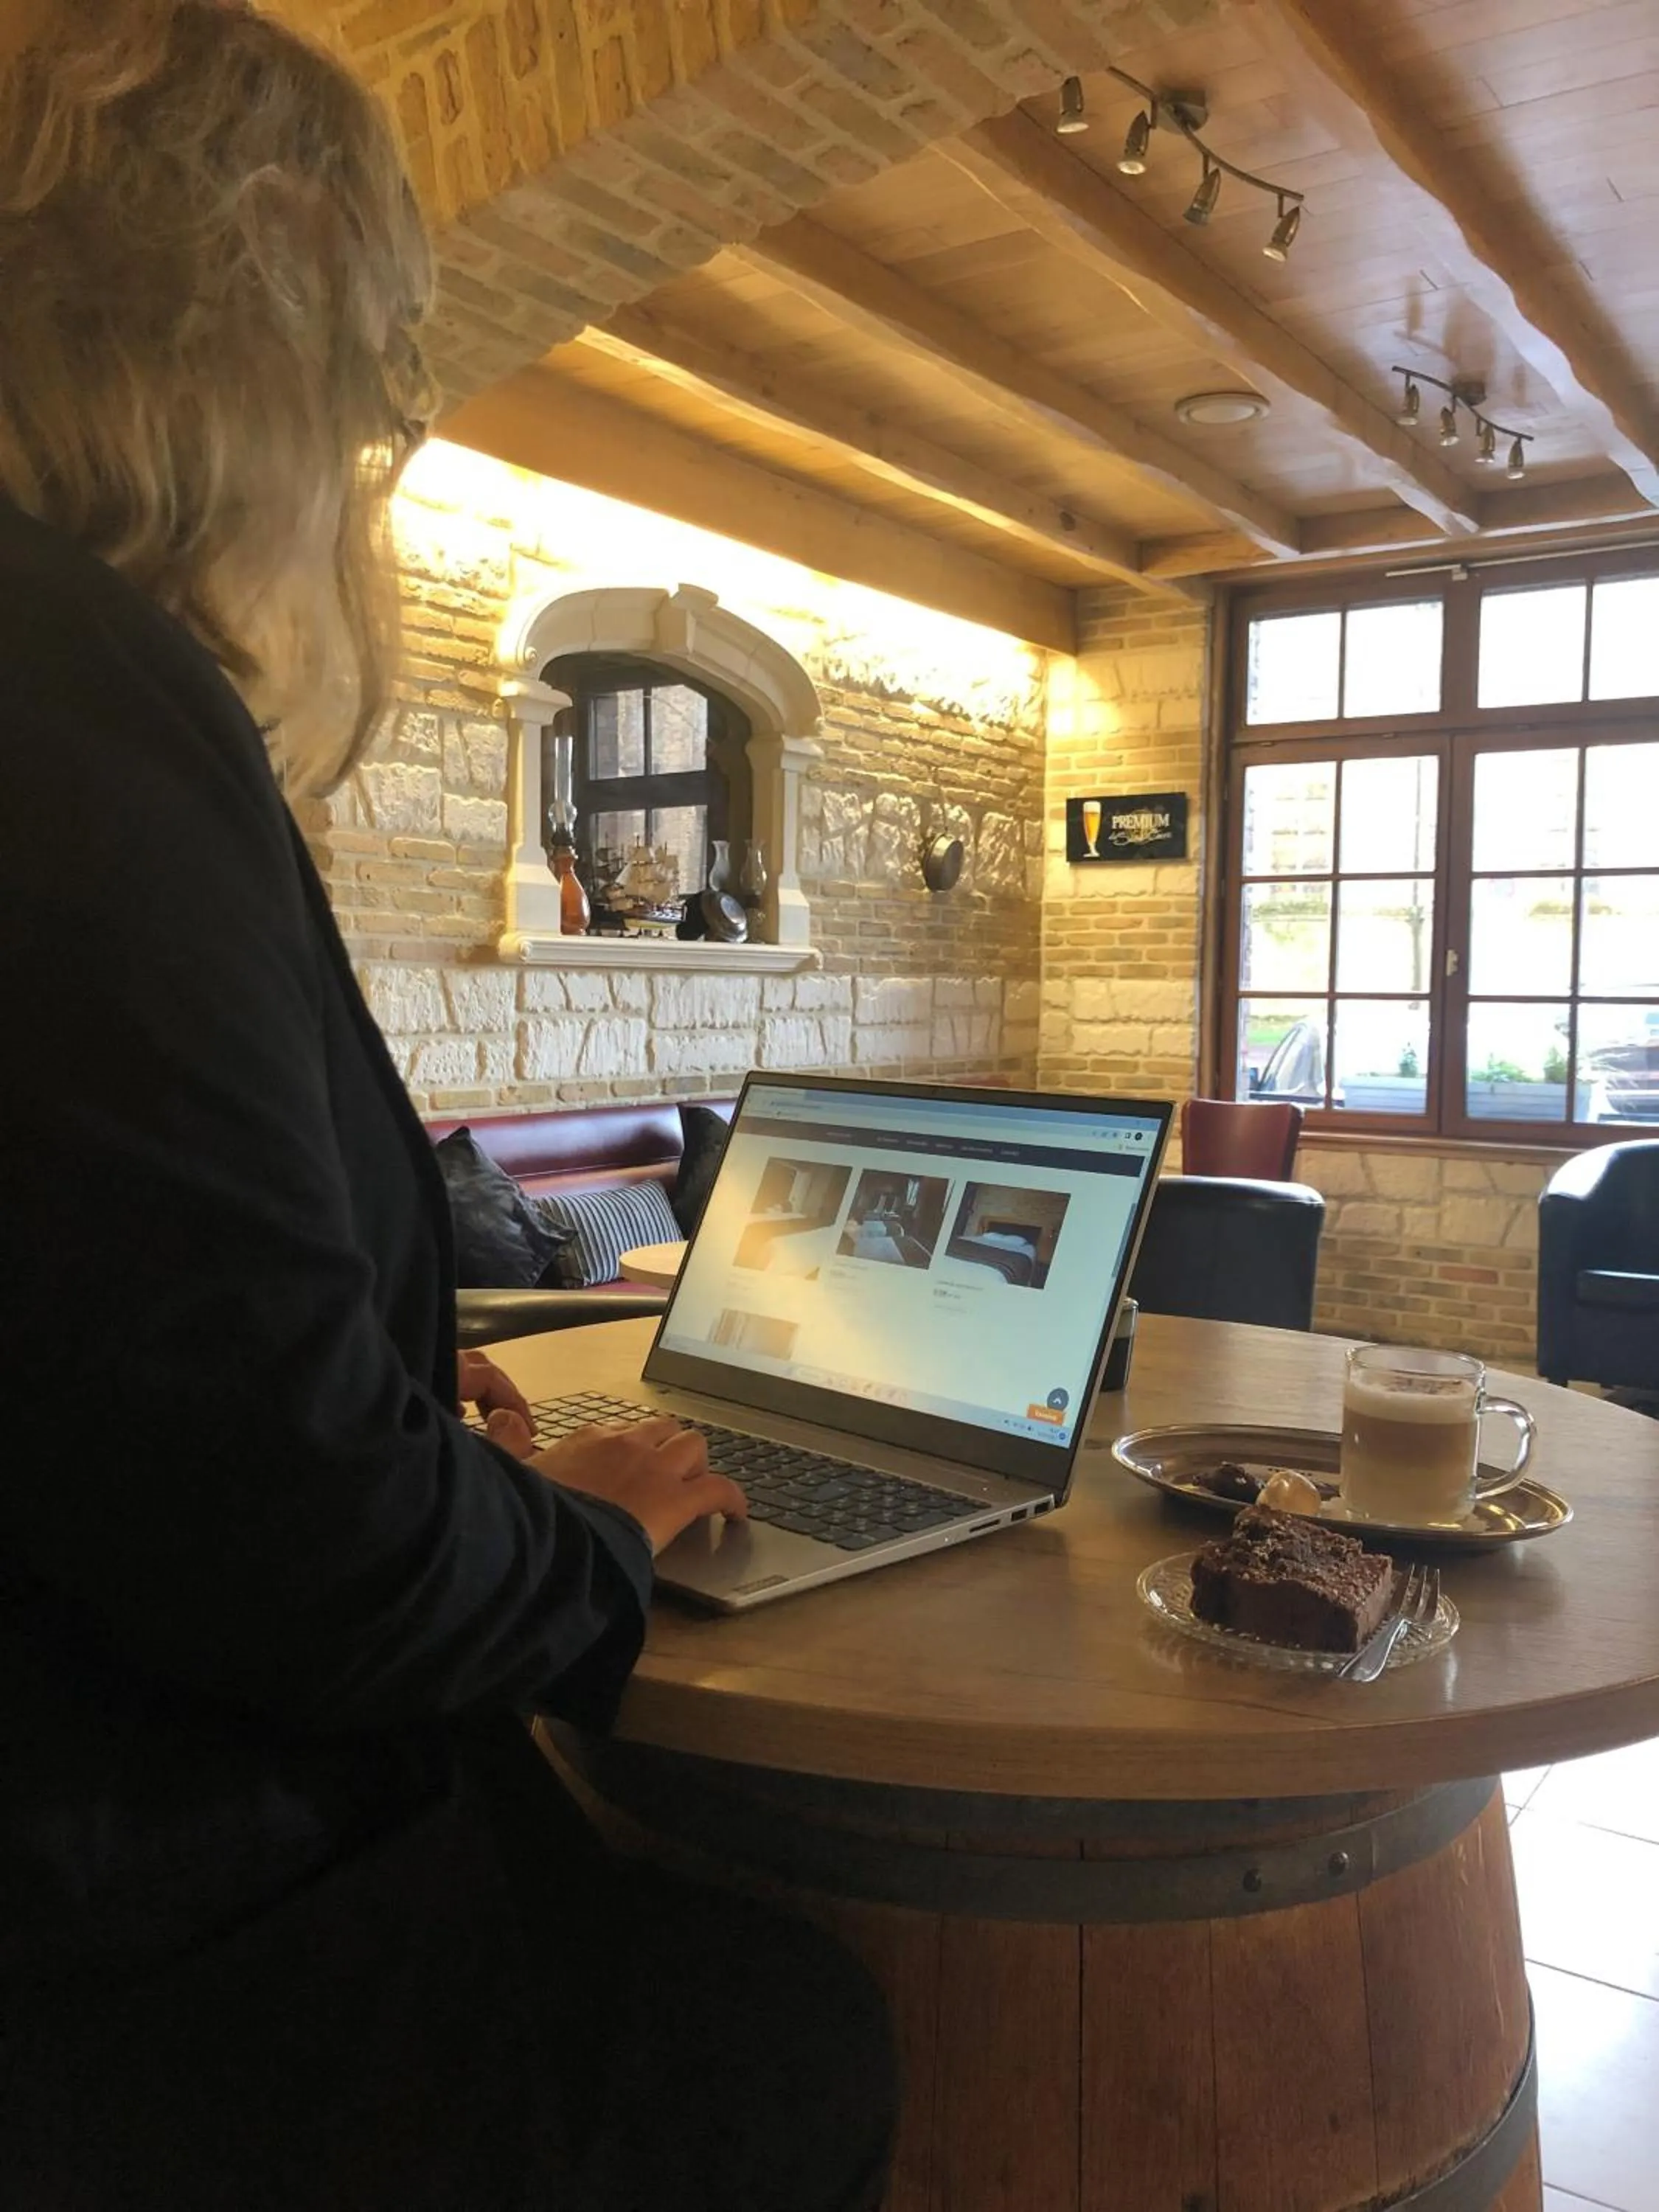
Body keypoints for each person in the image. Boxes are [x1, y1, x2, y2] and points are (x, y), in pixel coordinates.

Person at [0, 6, 894, 2207]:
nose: (374, 447)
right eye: (384, 379)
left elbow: (137, 1359)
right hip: (136, 1991)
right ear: (259, 322)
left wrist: (417, 1414)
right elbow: (295, 1530)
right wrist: (582, 1534)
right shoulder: (76, 696)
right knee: (798, 2040)